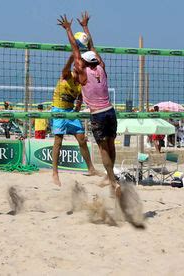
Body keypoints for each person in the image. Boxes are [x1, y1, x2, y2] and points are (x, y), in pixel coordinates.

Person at [58, 12, 120, 197]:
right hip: (110, 111)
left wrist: (68, 29)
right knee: (111, 145)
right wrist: (85, 27)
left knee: (103, 149)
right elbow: (91, 47)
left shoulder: (82, 72)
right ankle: (111, 178)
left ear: (84, 61)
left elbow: (75, 50)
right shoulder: (101, 66)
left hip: (99, 114)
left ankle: (112, 180)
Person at [51, 54, 100, 186]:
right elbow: (65, 68)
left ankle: (91, 168)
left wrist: (78, 106)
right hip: (58, 110)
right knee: (58, 141)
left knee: (82, 139)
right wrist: (72, 57)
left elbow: (80, 100)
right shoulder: (67, 75)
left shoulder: (81, 83)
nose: (80, 69)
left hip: (70, 112)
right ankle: (55, 172)